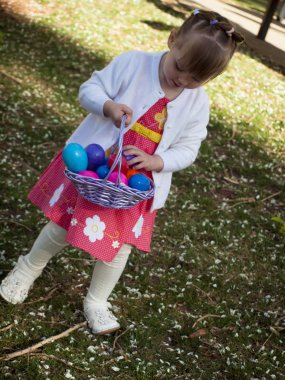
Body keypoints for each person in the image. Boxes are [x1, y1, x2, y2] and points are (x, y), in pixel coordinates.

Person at [0, 9, 243, 335]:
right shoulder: (133, 64)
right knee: (61, 226)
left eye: (195, 79)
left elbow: (189, 148)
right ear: (172, 40)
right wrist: (108, 106)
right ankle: (28, 267)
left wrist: (159, 162)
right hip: (93, 171)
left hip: (134, 187)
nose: (182, 81)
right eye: (179, 68)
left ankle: (97, 301)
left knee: (119, 247)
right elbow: (89, 88)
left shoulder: (197, 104)